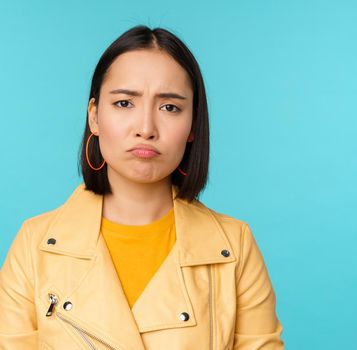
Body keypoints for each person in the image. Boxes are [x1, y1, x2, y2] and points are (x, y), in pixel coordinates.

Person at [0, 25, 284, 349]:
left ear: (193, 125)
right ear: (94, 116)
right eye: (124, 103)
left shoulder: (234, 247)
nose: (146, 128)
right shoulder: (34, 245)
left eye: (170, 107)